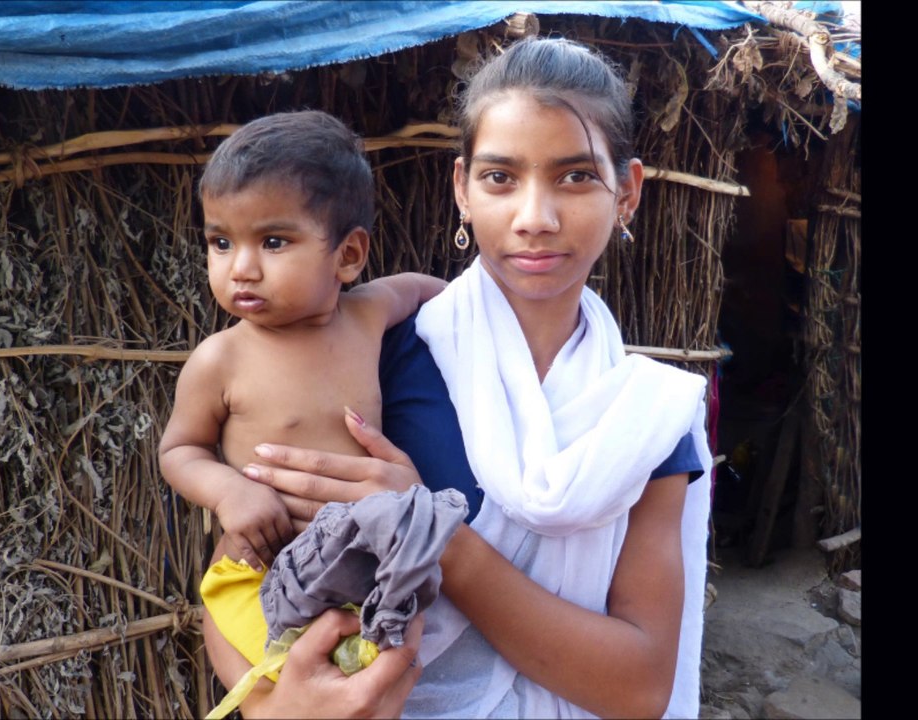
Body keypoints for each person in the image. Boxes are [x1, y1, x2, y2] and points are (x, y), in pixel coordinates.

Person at [208, 37, 713, 719]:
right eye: (500, 178)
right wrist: (273, 709)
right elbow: (243, 564)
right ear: (462, 190)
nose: (535, 219)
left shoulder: (645, 418)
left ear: (626, 193)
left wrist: (435, 534)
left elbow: (639, 689)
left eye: (575, 177)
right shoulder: (377, 358)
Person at [157, 110, 447, 656]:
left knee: (381, 664)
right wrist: (231, 492)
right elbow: (179, 451)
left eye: (272, 241)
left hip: (364, 562)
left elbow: (428, 289)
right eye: (221, 242)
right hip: (266, 567)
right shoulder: (220, 359)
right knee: (279, 675)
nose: (241, 268)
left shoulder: (368, 314)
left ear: (348, 255)